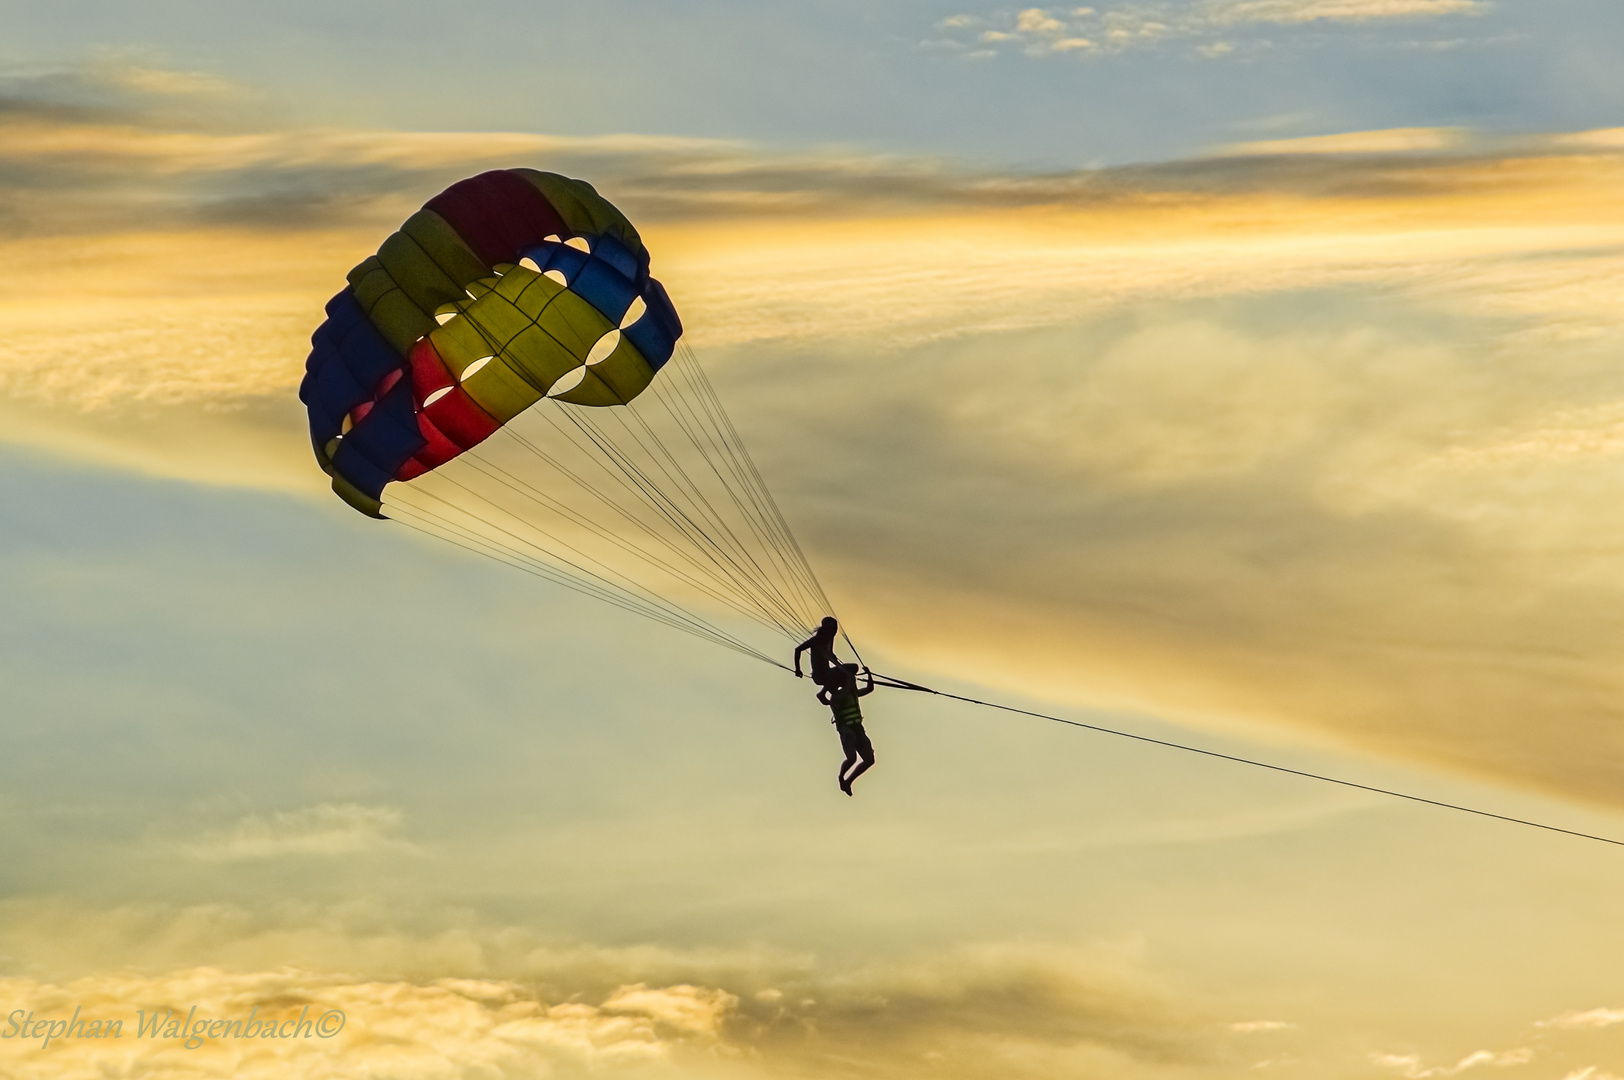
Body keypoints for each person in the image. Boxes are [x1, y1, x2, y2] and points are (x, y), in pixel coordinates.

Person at [818, 663, 876, 795]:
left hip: (858, 729)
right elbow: (846, 690)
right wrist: (850, 677)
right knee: (851, 759)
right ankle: (841, 777)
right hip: (847, 731)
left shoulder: (852, 693)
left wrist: (869, 674)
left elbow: (869, 689)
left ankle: (848, 781)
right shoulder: (837, 696)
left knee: (869, 760)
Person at [793, 616, 841, 686]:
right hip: (820, 676)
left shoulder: (829, 640)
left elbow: (830, 654)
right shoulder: (816, 640)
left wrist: (837, 662)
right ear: (827, 629)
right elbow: (798, 650)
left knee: (848, 672)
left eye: (836, 629)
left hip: (827, 672)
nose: (835, 632)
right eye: (833, 629)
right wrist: (798, 669)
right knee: (852, 668)